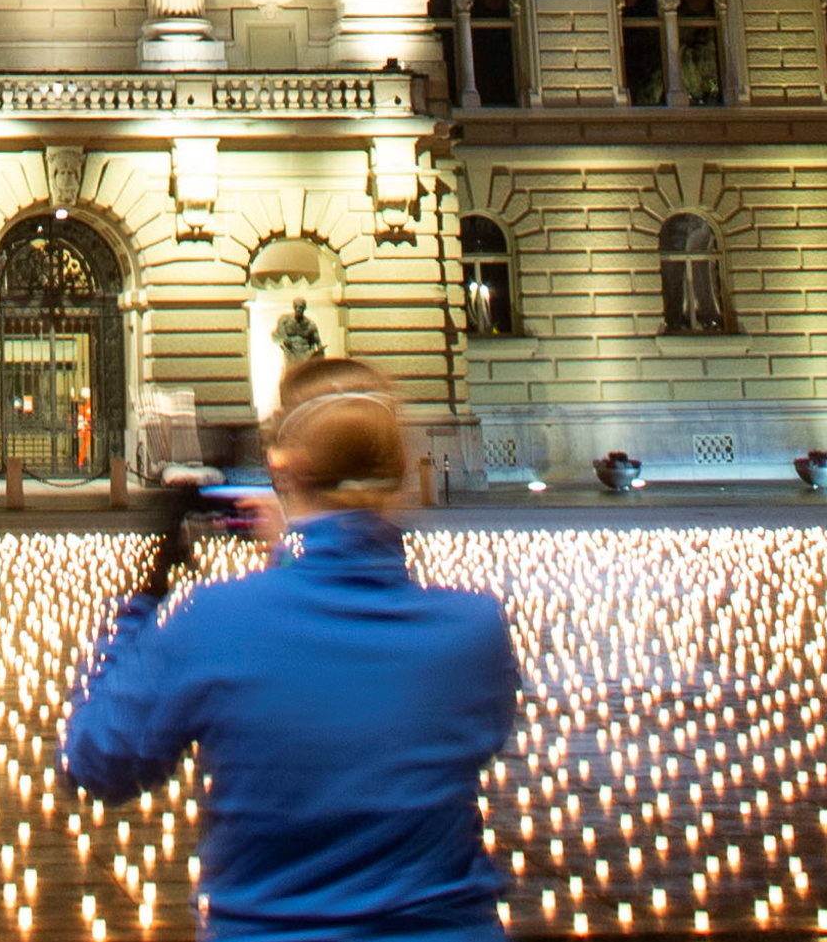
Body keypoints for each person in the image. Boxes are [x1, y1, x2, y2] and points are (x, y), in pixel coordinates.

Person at [61, 382, 516, 942]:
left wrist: (148, 596)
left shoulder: (216, 621)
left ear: (287, 475)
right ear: (401, 476)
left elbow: (97, 759)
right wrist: (300, 549)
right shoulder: (474, 631)